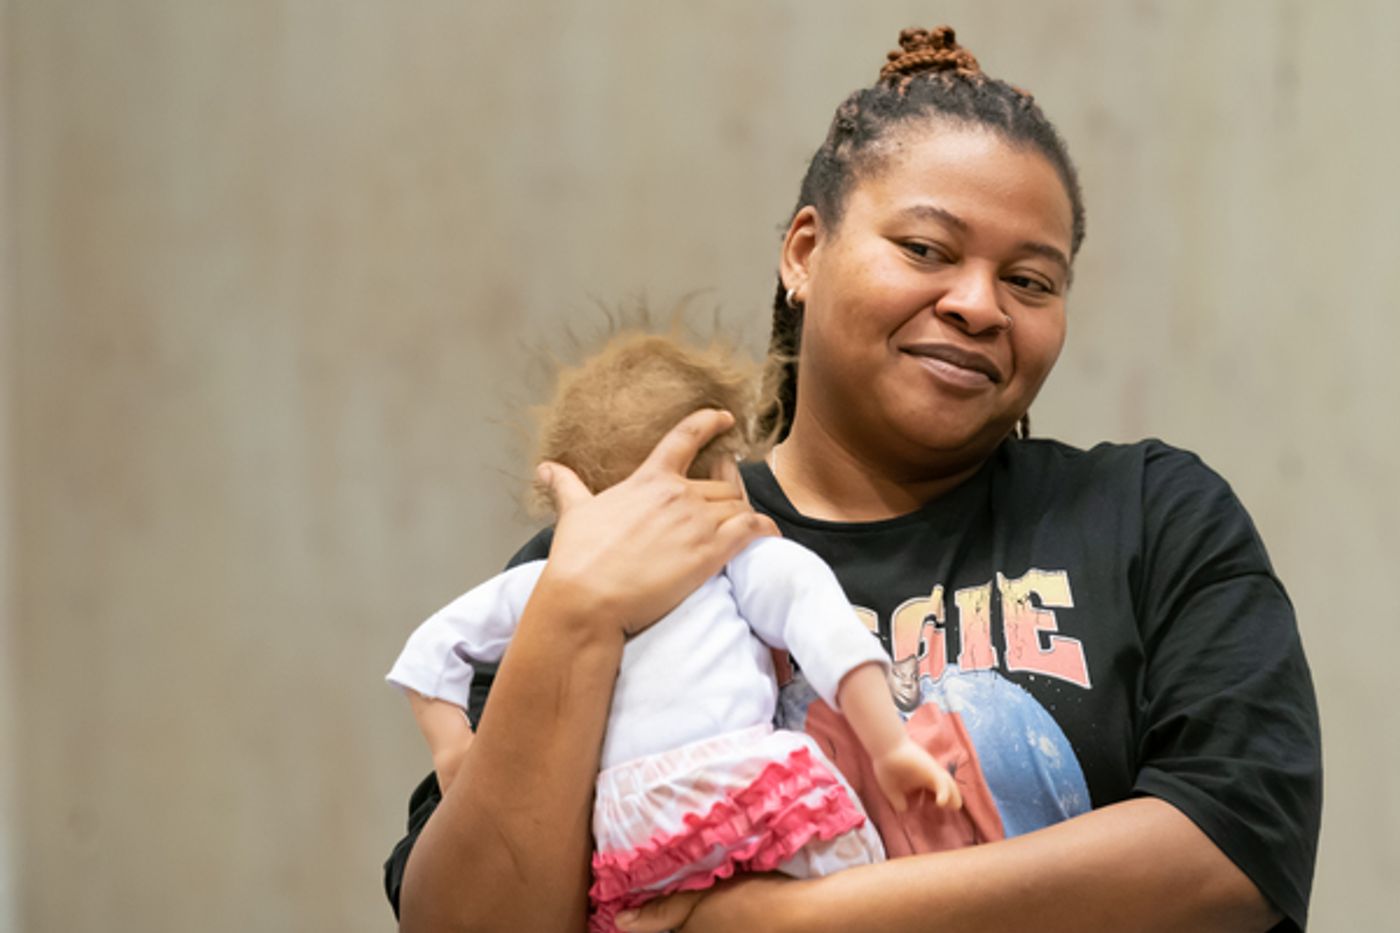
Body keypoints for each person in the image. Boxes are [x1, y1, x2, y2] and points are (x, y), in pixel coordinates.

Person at [385, 25, 1322, 933]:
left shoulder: (1150, 518)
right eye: (926, 249)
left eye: (1032, 281)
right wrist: (577, 611)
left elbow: (1234, 846)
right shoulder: (624, 539)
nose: (977, 304)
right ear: (804, 252)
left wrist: (784, 923)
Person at [383, 332, 961, 933]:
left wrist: (454, 752)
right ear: (725, 473)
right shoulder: (739, 560)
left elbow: (430, 649)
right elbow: (828, 634)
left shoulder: (551, 581)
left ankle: (689, 907)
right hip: (740, 785)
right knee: (856, 878)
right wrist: (889, 746)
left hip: (626, 829)